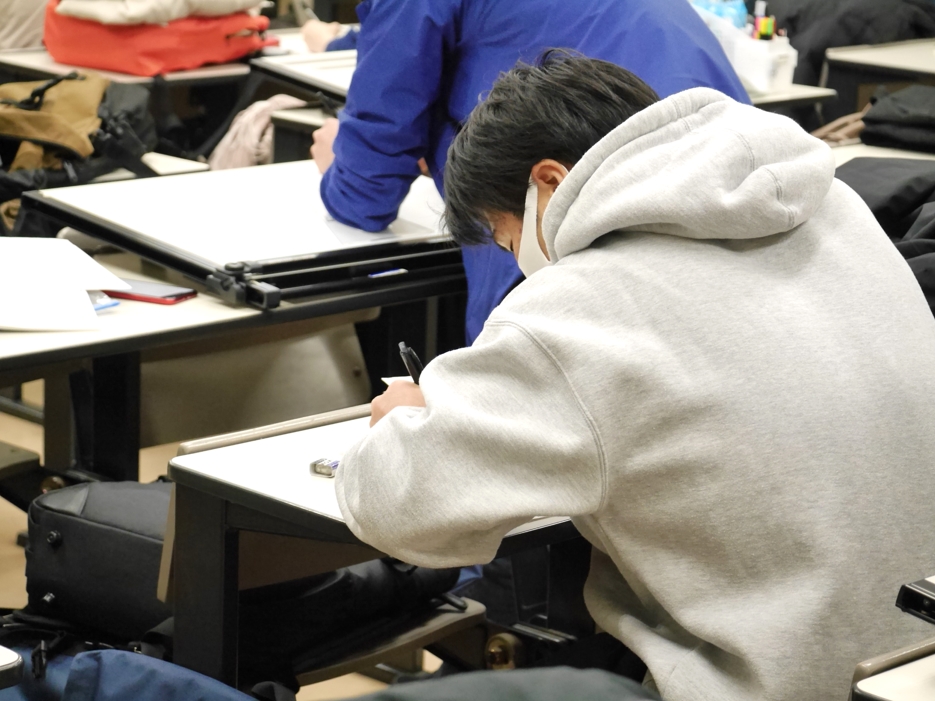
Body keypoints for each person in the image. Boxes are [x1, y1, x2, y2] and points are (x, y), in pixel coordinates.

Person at [334, 53, 935, 701]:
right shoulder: (835, 212)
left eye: (508, 241)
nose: (518, 262)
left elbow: (399, 508)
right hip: (908, 667)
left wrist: (402, 419)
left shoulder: (580, 306)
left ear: (549, 181)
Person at [308, 0, 749, 345]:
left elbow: (365, 191)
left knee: (520, 382)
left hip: (585, 184)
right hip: (728, 165)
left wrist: (341, 167)